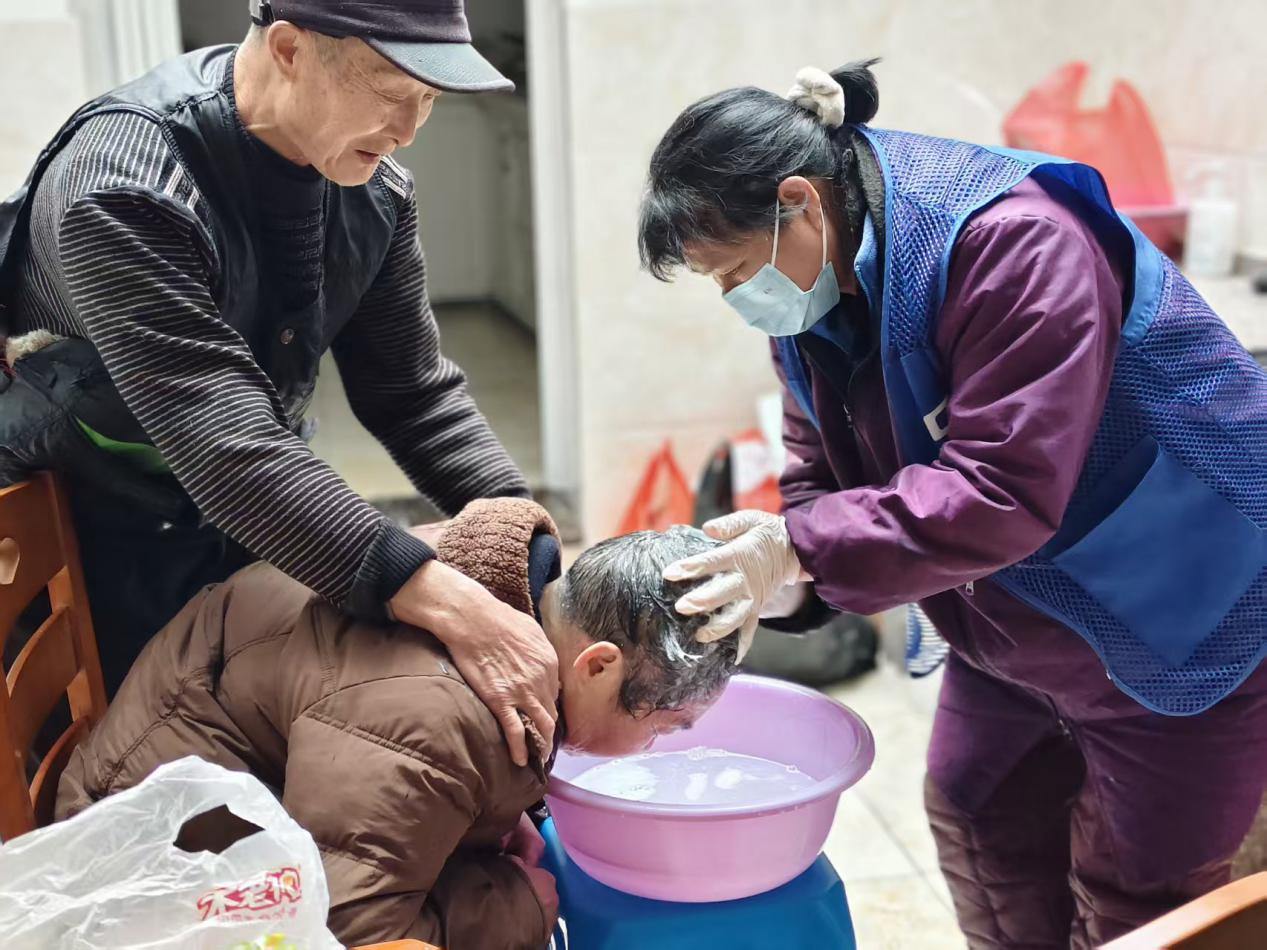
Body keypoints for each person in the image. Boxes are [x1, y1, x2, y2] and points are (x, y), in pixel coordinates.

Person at [637, 61, 1267, 947]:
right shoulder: (810, 297)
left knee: (1139, 891)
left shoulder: (1016, 246)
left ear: (800, 203)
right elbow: (818, 469)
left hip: (1180, 604)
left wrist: (800, 547)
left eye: (736, 270)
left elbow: (1002, 488)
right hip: (1004, 602)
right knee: (977, 816)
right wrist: (784, 576)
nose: (739, 298)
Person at [0, 0, 555, 767]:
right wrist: (448, 599)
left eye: (428, 99)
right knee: (109, 776)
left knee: (252, 753)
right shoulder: (125, 189)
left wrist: (539, 560)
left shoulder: (372, 190)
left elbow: (414, 397)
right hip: (80, 532)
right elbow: (227, 445)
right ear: (290, 48)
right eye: (392, 90)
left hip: (245, 512)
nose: (408, 130)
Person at [57, 498, 738, 949]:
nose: (654, 747)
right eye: (664, 726)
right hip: (144, 866)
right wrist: (521, 905)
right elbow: (347, 933)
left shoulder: (477, 575)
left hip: (198, 772)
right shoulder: (439, 721)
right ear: (597, 666)